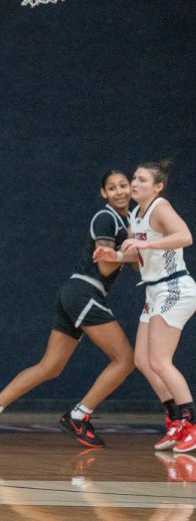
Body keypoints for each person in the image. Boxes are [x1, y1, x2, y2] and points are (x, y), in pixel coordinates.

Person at [0, 171, 136, 447]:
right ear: (103, 194)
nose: (119, 191)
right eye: (112, 187)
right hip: (85, 291)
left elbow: (133, 262)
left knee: (50, 366)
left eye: (123, 185)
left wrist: (139, 247)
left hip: (75, 293)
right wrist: (132, 250)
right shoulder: (106, 218)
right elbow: (107, 265)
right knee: (125, 360)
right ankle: (78, 416)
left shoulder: (128, 221)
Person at [94, 161, 196, 453]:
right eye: (134, 179)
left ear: (157, 186)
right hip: (154, 291)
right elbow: (137, 257)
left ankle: (192, 423)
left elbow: (185, 236)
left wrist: (145, 247)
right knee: (142, 360)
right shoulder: (136, 216)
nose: (134, 184)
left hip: (174, 287)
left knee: (161, 361)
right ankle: (175, 419)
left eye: (140, 180)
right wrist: (113, 254)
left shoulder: (160, 207)